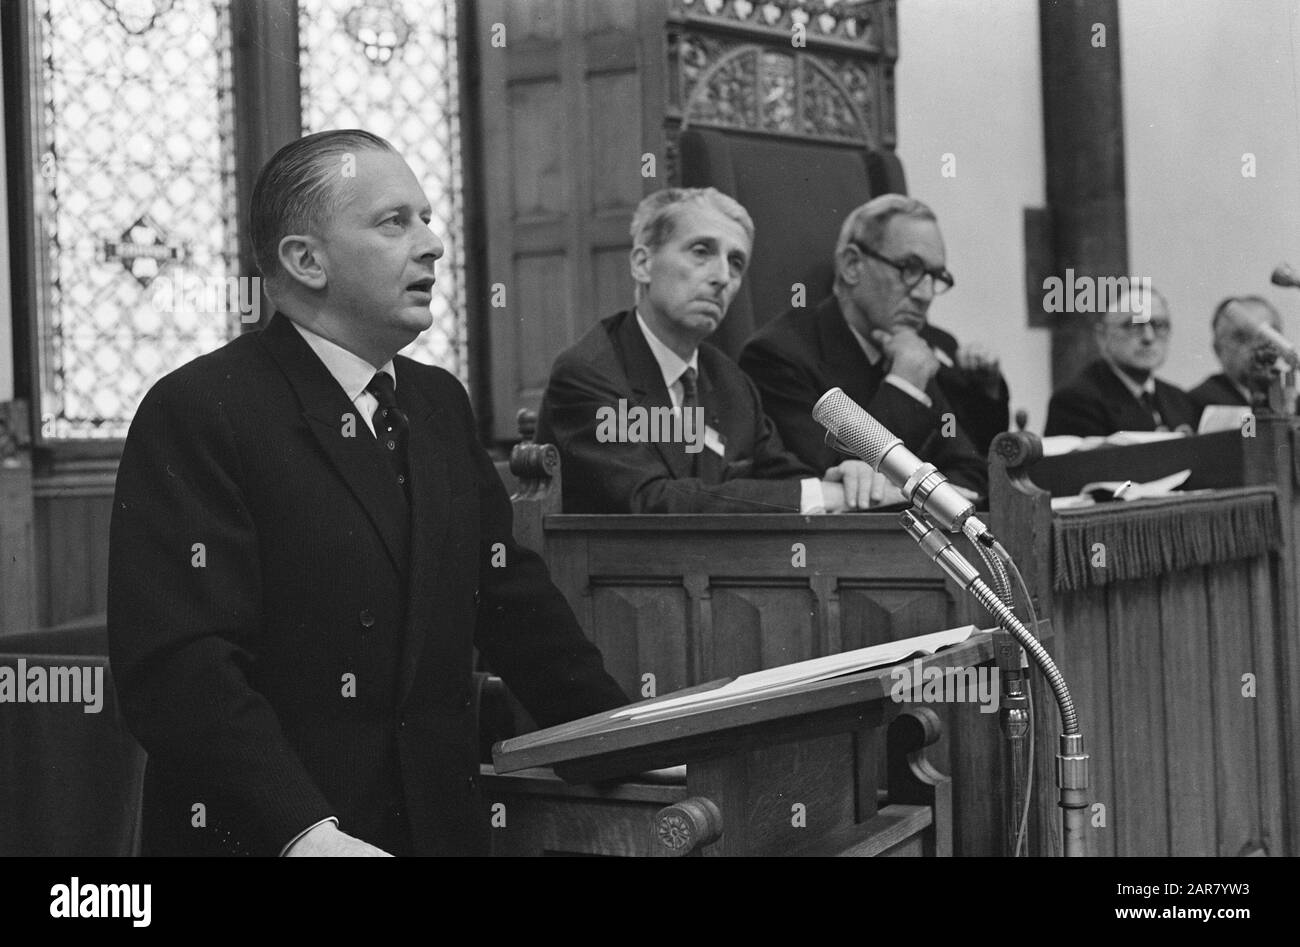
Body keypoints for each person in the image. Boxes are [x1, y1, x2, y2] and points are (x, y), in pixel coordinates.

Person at [107, 130, 628, 857]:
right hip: (278, 838)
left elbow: (517, 609)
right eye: (395, 222)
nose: (434, 244)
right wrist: (303, 831)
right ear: (305, 260)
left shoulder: (439, 401)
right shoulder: (200, 408)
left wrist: (634, 742)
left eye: (428, 217)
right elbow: (181, 670)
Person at [536, 187, 898, 514]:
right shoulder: (592, 372)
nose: (722, 277)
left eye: (736, 262)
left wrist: (839, 478)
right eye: (701, 251)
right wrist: (815, 495)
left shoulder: (728, 379)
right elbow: (650, 501)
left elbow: (782, 476)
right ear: (643, 264)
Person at [738, 195, 993, 494]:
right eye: (909, 268)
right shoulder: (778, 357)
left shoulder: (912, 348)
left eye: (935, 276)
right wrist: (904, 386)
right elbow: (840, 483)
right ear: (852, 265)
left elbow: (972, 473)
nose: (925, 294)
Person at [1045, 286, 1199, 437]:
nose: (1148, 337)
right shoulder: (1075, 402)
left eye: (1159, 325)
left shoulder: (1178, 399)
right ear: (1103, 336)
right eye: (1134, 325)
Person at [1188, 296, 1286, 410]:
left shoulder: (1289, 402)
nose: (1256, 346)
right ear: (1218, 349)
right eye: (1242, 337)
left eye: (1265, 337)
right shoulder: (1195, 404)